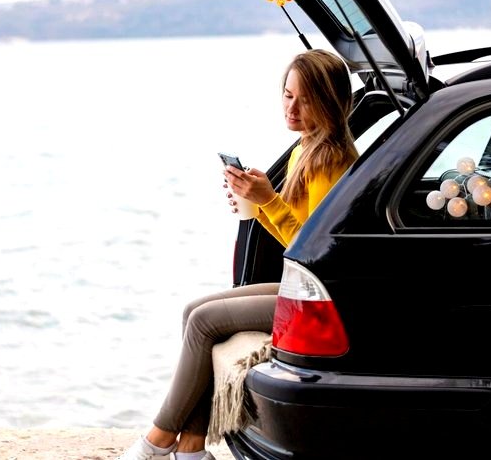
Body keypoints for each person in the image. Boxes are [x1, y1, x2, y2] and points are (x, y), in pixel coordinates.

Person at [118, 48, 360, 460]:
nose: (293, 108)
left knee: (205, 321)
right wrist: (258, 203)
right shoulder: (306, 149)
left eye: (306, 99)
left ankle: (157, 441)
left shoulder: (331, 159)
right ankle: (192, 447)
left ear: (330, 102)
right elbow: (292, 234)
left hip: (321, 300)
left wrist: (270, 201)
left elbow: (314, 249)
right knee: (195, 309)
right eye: (287, 95)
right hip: (303, 288)